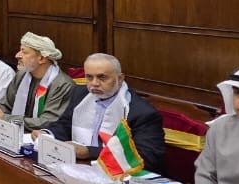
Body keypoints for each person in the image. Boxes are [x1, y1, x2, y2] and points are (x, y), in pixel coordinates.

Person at [32, 53, 165, 172]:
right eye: (89, 77)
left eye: (102, 77)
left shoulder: (142, 113)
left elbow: (146, 157)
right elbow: (65, 124)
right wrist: (47, 133)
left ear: (120, 78)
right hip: (80, 168)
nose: (94, 83)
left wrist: (89, 152)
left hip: (118, 175)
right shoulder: (80, 94)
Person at [0, 32, 75, 129]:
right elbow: (6, 105)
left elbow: (47, 122)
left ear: (41, 58)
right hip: (14, 132)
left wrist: (4, 118)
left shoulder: (62, 84)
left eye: (24, 52)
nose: (17, 55)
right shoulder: (21, 75)